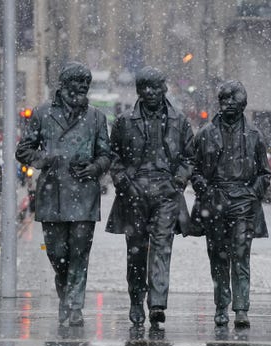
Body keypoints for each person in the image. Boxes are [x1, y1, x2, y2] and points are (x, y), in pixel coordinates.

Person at [15, 61, 110, 327]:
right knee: (58, 254)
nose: (82, 88)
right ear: (64, 84)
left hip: (84, 194)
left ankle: (74, 306)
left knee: (80, 254)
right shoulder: (43, 113)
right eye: (78, 82)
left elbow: (106, 155)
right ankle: (66, 295)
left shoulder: (96, 117)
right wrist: (44, 159)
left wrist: (94, 167)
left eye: (86, 84)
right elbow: (23, 150)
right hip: (52, 193)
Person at [106, 66, 194, 329]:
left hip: (166, 193)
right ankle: (136, 299)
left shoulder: (179, 121)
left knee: (161, 247)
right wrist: (124, 183)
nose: (152, 92)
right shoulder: (124, 122)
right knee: (136, 251)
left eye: (156, 87)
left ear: (164, 88)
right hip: (134, 194)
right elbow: (113, 157)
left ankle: (157, 303)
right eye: (146, 87)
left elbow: (190, 157)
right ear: (139, 91)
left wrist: (177, 181)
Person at [190, 80, 270, 328]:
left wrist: (251, 193)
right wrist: (204, 187)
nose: (226, 105)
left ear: (243, 104)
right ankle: (221, 305)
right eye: (223, 100)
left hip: (243, 203)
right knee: (218, 257)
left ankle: (241, 308)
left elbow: (265, 174)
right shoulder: (205, 134)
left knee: (241, 256)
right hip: (216, 201)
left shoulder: (255, 135)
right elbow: (193, 168)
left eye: (231, 101)